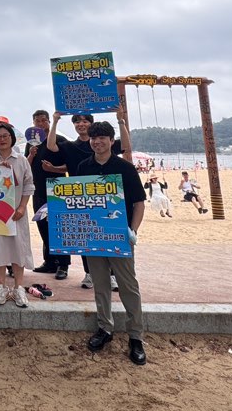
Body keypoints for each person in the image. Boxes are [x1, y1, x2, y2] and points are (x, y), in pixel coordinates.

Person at [74, 121, 147, 365]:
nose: (97, 142)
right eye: (94, 138)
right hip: (92, 236)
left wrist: (132, 231)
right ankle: (105, 328)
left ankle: (135, 335)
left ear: (111, 141)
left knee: (128, 285)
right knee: (101, 285)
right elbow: (73, 200)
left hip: (120, 237)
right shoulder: (83, 167)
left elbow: (138, 203)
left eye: (103, 137)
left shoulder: (125, 168)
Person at [46, 112, 131, 289]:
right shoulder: (70, 146)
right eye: (77, 122)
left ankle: (112, 275)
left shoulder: (101, 143)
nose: (81, 124)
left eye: (85, 121)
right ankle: (89, 273)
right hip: (81, 197)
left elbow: (125, 146)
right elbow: (51, 145)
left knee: (109, 233)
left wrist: (121, 121)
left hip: (108, 196)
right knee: (86, 235)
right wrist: (54, 121)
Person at [0, 122, 34, 308]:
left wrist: (22, 207)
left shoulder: (21, 159)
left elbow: (28, 185)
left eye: (5, 136)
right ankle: (2, 287)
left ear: (12, 138)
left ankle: (19, 288)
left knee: (19, 249)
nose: (2, 139)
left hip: (17, 213)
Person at [24, 109, 69, 276]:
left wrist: (53, 169)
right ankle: (49, 261)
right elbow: (26, 167)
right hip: (38, 189)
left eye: (44, 121)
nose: (41, 124)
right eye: (37, 121)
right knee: (42, 225)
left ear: (49, 122)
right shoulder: (31, 143)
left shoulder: (60, 140)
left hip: (57, 190)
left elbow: (69, 165)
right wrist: (31, 154)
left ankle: (63, 265)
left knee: (59, 226)